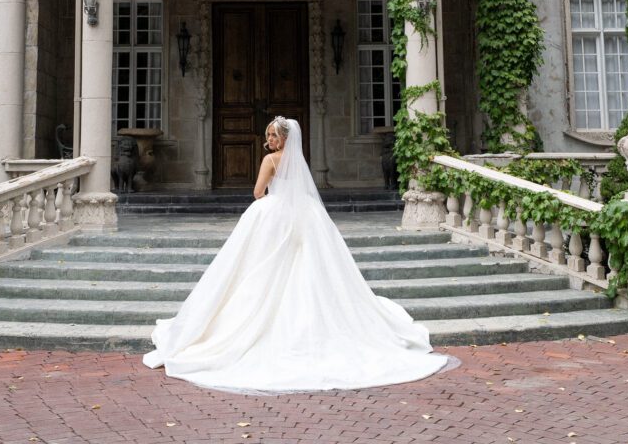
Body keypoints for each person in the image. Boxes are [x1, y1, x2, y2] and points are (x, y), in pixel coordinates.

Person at [143, 117, 451, 392]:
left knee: (262, 267)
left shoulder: (270, 161)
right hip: (305, 213)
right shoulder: (299, 161)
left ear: (283, 138)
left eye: (274, 135)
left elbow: (257, 193)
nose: (271, 140)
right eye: (270, 135)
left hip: (274, 214)